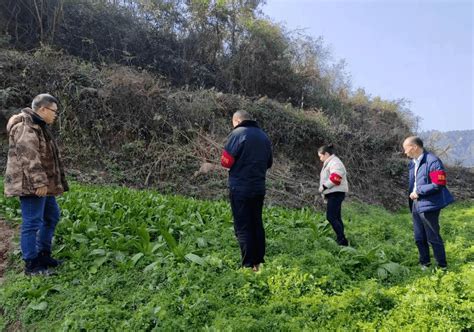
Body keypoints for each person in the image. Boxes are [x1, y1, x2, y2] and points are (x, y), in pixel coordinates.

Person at [4, 93, 68, 275]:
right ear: (42, 109)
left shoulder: (39, 126)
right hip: (32, 185)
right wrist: (39, 182)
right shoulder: (26, 127)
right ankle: (32, 265)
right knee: (32, 223)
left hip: (43, 185)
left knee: (51, 217)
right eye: (54, 111)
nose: (55, 115)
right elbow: (29, 157)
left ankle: (43, 254)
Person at [220, 110, 273, 271]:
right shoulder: (264, 137)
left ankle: (248, 265)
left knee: (243, 226)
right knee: (256, 223)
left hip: (240, 188)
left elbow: (226, 162)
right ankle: (258, 262)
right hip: (258, 187)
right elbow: (269, 163)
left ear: (236, 121)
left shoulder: (237, 134)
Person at [402, 136, 454, 270]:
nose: (405, 152)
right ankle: (425, 263)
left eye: (405, 149)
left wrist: (419, 191)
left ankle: (442, 266)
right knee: (419, 237)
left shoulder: (433, 161)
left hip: (429, 204)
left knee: (433, 236)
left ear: (414, 147)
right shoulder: (413, 163)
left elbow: (439, 183)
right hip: (416, 203)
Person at [318, 144, 349, 246]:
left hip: (335, 193)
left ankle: (342, 240)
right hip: (334, 193)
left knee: (331, 217)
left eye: (320, 156)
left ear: (326, 154)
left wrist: (324, 187)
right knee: (336, 217)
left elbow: (336, 177)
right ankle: (341, 239)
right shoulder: (331, 162)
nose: (320, 159)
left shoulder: (335, 162)